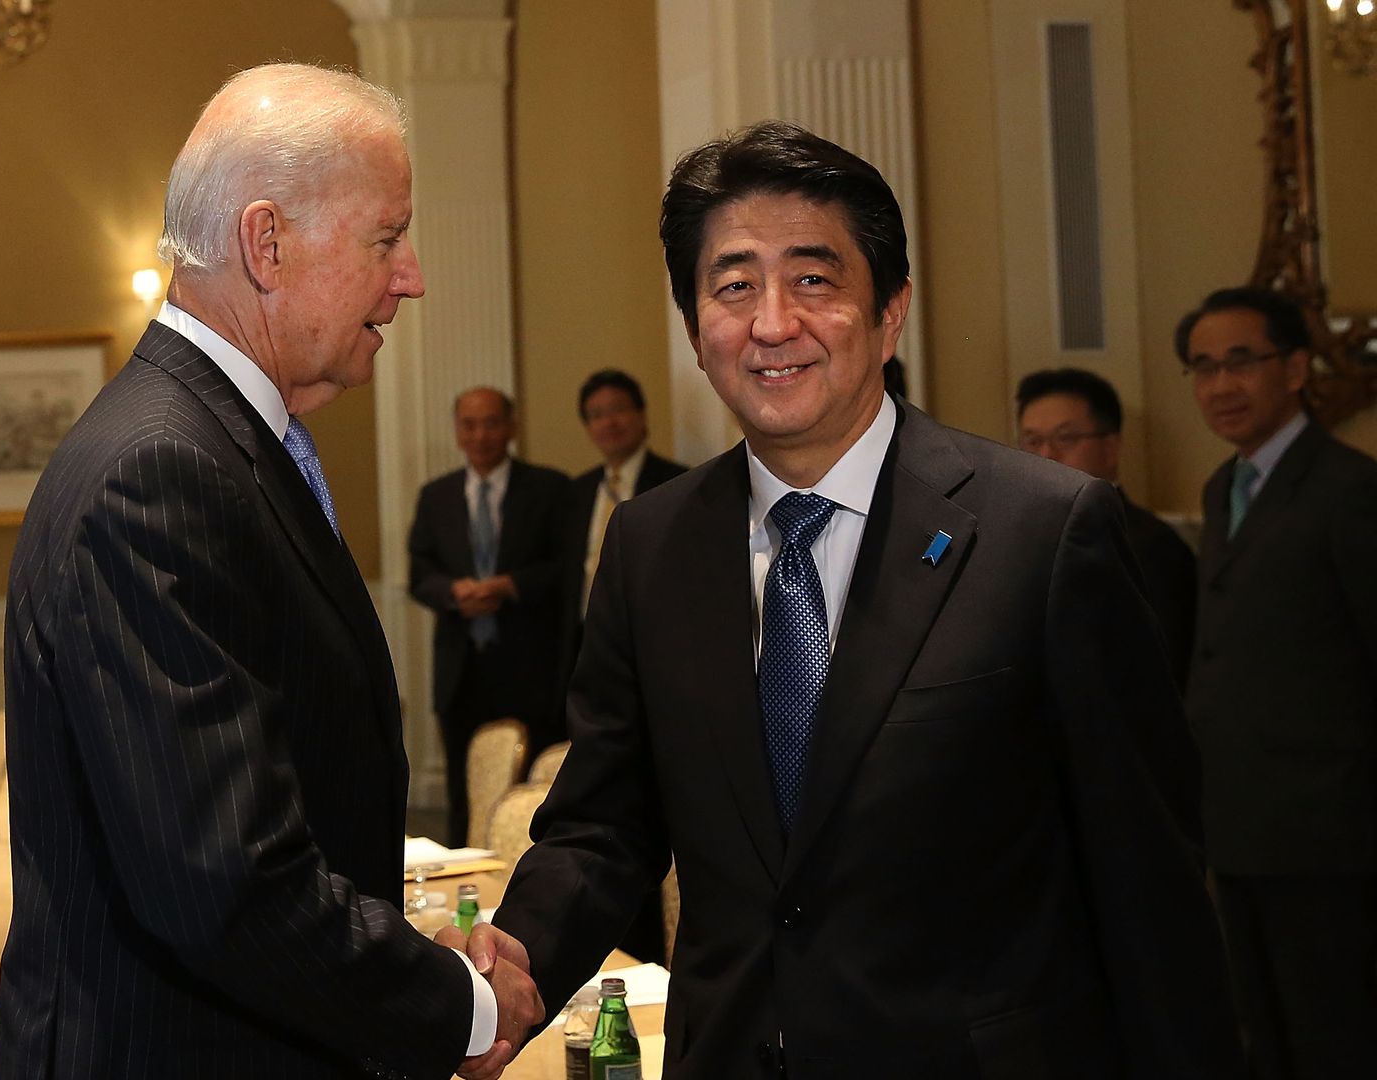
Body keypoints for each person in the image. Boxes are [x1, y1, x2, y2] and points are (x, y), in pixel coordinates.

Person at [472, 120, 1243, 1078]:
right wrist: (513, 971)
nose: (771, 323)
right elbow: (601, 822)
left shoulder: (1045, 531)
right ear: (693, 327)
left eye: (814, 279)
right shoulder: (651, 545)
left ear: (890, 313)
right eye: (733, 285)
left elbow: (1147, 878)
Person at [0, 64, 540, 1080]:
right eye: (387, 237)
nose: (412, 276)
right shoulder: (162, 473)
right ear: (266, 242)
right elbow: (228, 884)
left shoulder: (211, 443)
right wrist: (459, 1008)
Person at [1177, 286, 1377, 1080]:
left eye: (1241, 362)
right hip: (1240, 829)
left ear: (1295, 368)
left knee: (1335, 1039)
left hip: (1332, 838)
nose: (1220, 386)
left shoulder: (1348, 490)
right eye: (1201, 368)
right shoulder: (1222, 490)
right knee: (1261, 1038)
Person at [408, 387, 568, 846]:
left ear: (511, 427)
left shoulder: (549, 490)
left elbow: (564, 570)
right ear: (458, 431)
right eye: (469, 425)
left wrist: (509, 586)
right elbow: (420, 573)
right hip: (462, 667)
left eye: (492, 423)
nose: (481, 435)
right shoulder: (436, 495)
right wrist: (453, 593)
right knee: (466, 791)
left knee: (533, 792)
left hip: (529, 666)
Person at [1015, 367, 1196, 688]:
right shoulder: (1014, 540)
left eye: (1066, 438)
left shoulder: (1149, 544)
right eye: (1032, 441)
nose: (1046, 454)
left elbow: (1163, 673)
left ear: (1111, 448)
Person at [563, 369, 688, 632]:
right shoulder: (577, 491)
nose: (609, 423)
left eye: (618, 409)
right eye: (596, 415)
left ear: (642, 414)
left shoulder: (677, 483)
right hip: (585, 634)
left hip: (653, 630)